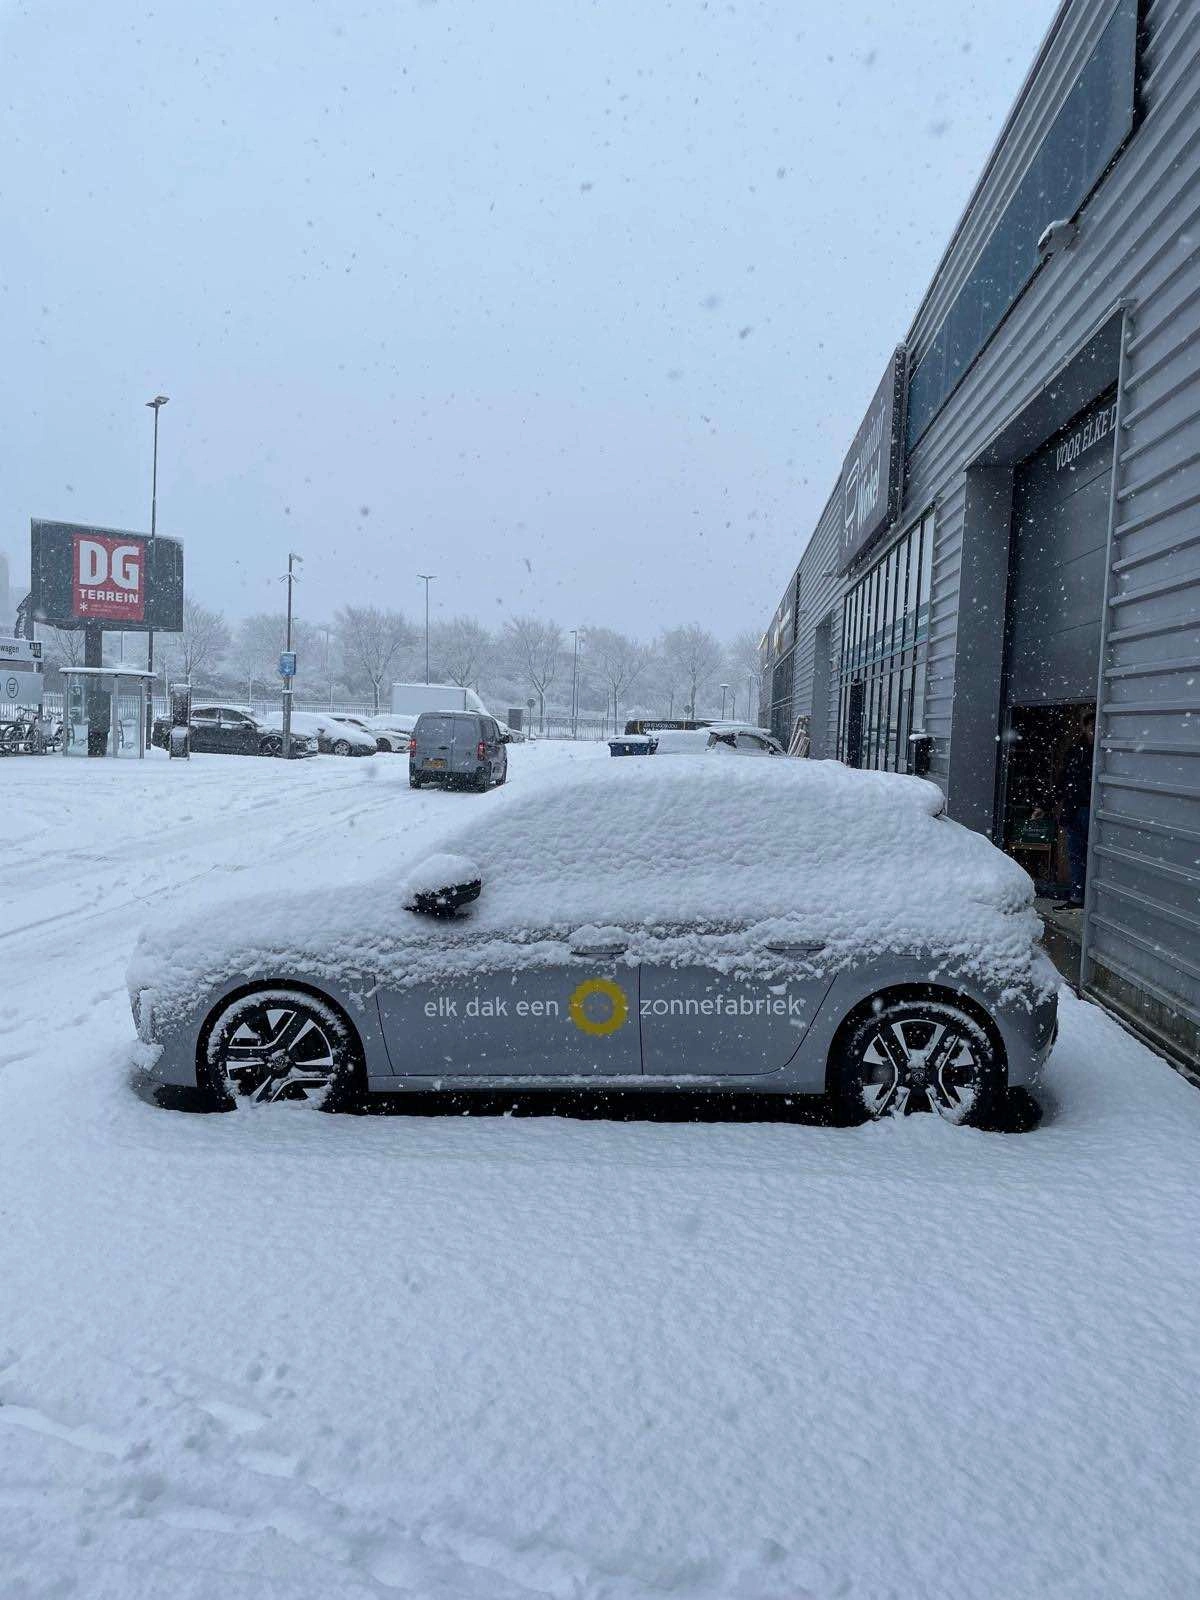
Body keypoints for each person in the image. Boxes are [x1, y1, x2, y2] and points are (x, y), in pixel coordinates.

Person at [1056, 705, 1096, 910]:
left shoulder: (1102, 752)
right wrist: (1047, 804)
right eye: (1090, 727)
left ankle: (1092, 900)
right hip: (1075, 810)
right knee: (1076, 855)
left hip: (1093, 811)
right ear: (1084, 728)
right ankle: (1078, 897)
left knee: (1094, 856)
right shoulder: (1076, 751)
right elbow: (1063, 780)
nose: (1093, 732)